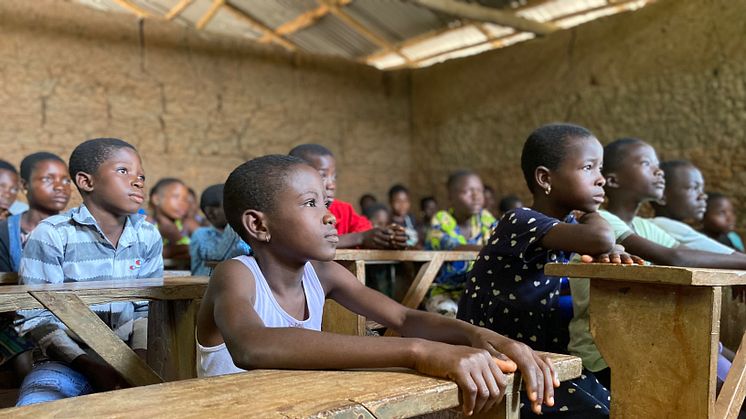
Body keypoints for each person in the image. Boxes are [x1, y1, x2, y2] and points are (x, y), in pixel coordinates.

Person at [196, 155, 559, 416]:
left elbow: (403, 317)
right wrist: (416, 351)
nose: (329, 215)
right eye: (310, 203)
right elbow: (252, 346)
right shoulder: (236, 274)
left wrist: (480, 336)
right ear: (259, 226)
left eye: (327, 202)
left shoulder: (323, 273)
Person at [459, 123, 639, 418]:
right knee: (605, 412)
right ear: (545, 178)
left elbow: (604, 246)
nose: (601, 179)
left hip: (539, 356)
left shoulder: (565, 227)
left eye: (601, 169)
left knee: (617, 404)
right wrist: (595, 219)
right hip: (493, 360)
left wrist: (613, 253)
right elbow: (601, 239)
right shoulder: (519, 220)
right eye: (588, 168)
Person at [569, 138, 746, 390]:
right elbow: (675, 258)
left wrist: (739, 266)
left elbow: (685, 252)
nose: (659, 170)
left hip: (658, 339)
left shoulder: (645, 226)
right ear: (613, 180)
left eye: (658, 164)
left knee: (733, 377)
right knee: (731, 389)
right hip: (608, 352)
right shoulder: (602, 221)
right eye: (646, 163)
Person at [15, 138, 163, 406]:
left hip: (134, 358)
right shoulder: (53, 234)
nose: (138, 181)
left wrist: (137, 365)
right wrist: (92, 367)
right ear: (86, 182)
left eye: (141, 175)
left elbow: (147, 309)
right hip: (66, 362)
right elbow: (36, 318)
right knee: (36, 405)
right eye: (123, 171)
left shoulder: (147, 235)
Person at [0, 152, 72, 386]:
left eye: (65, 180)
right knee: (28, 357)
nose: (60, 187)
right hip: (17, 320)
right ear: (25, 185)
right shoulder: (6, 230)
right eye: (48, 180)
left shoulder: (76, 230)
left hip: (71, 318)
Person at [289, 144, 407, 250]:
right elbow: (306, 243)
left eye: (334, 177)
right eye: (323, 176)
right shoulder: (290, 209)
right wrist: (359, 238)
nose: (332, 185)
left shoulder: (344, 211)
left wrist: (387, 237)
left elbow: (367, 232)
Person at [425, 171, 496, 317]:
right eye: (467, 191)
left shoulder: (486, 220)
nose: (475, 196)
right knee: (448, 316)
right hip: (445, 292)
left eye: (479, 191)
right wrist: (491, 249)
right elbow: (451, 246)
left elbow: (502, 242)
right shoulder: (441, 219)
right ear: (451, 198)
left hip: (479, 293)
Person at [190, 184, 250, 276]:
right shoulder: (201, 234)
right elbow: (218, 257)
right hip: (203, 285)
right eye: (205, 208)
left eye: (216, 206)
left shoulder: (245, 232)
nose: (210, 213)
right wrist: (234, 224)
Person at [149, 177, 191, 260]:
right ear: (156, 199)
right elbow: (143, 254)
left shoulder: (187, 224)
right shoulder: (147, 223)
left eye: (185, 199)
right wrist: (181, 249)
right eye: (176, 197)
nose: (182, 203)